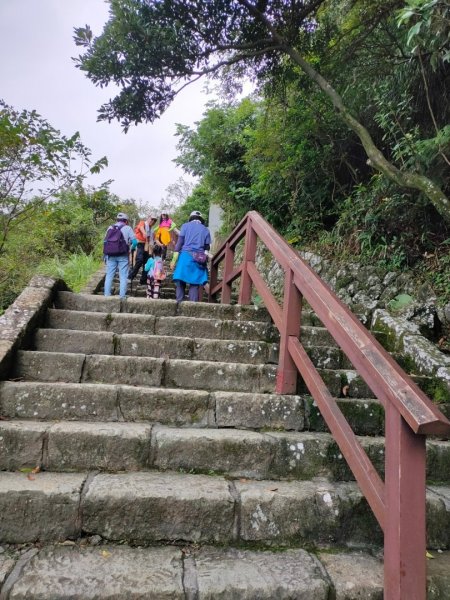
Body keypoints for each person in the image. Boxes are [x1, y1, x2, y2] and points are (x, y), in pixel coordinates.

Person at [170, 210, 211, 303]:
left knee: (180, 280)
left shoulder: (185, 226)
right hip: (198, 258)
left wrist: (173, 260)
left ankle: (179, 303)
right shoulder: (205, 229)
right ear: (201, 219)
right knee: (194, 283)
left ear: (191, 218)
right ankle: (192, 306)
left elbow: (179, 243)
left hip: (185, 256)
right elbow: (207, 247)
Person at [103, 212, 137, 299]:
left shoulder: (110, 227)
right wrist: (131, 248)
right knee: (123, 276)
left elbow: (105, 242)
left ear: (117, 220)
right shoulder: (128, 228)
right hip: (123, 255)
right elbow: (135, 242)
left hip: (110, 255)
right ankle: (122, 296)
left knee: (109, 275)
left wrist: (105, 255)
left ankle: (107, 295)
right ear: (126, 221)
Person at [129, 214, 158, 285]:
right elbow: (141, 227)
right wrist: (144, 233)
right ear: (148, 218)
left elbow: (155, 239)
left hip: (148, 247)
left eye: (155, 220)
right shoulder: (143, 223)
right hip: (140, 244)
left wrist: (160, 244)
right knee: (139, 260)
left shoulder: (152, 230)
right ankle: (130, 276)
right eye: (152, 219)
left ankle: (143, 280)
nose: (153, 221)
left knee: (147, 263)